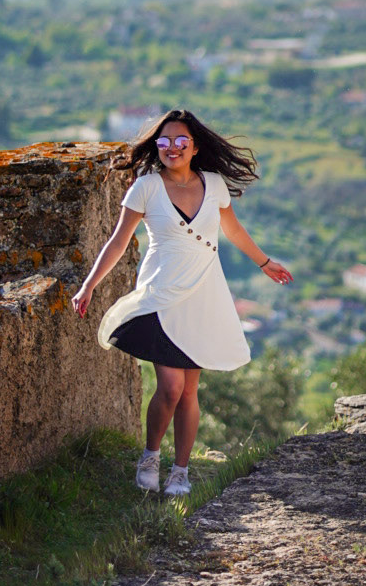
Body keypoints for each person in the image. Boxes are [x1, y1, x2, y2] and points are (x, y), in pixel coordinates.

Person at [71, 108, 292, 498]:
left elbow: (233, 229)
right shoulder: (146, 187)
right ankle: (150, 457)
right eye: (164, 141)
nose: (172, 147)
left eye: (180, 141)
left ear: (194, 147)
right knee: (171, 387)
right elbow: (119, 241)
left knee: (190, 391)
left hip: (204, 295)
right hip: (162, 294)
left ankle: (180, 471)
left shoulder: (214, 184)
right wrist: (89, 285)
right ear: (156, 147)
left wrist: (264, 262)